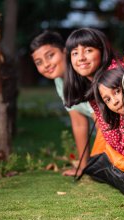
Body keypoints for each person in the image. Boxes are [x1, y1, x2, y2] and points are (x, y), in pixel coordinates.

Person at [63, 28, 124, 160]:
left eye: (88, 51)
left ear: (102, 51)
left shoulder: (113, 77)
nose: (81, 58)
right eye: (75, 53)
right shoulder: (93, 82)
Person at [30, 31, 93, 176]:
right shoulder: (59, 81)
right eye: (39, 62)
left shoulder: (84, 73)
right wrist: (83, 167)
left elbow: (103, 123)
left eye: (50, 55)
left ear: (65, 52)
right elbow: (78, 122)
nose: (46, 64)